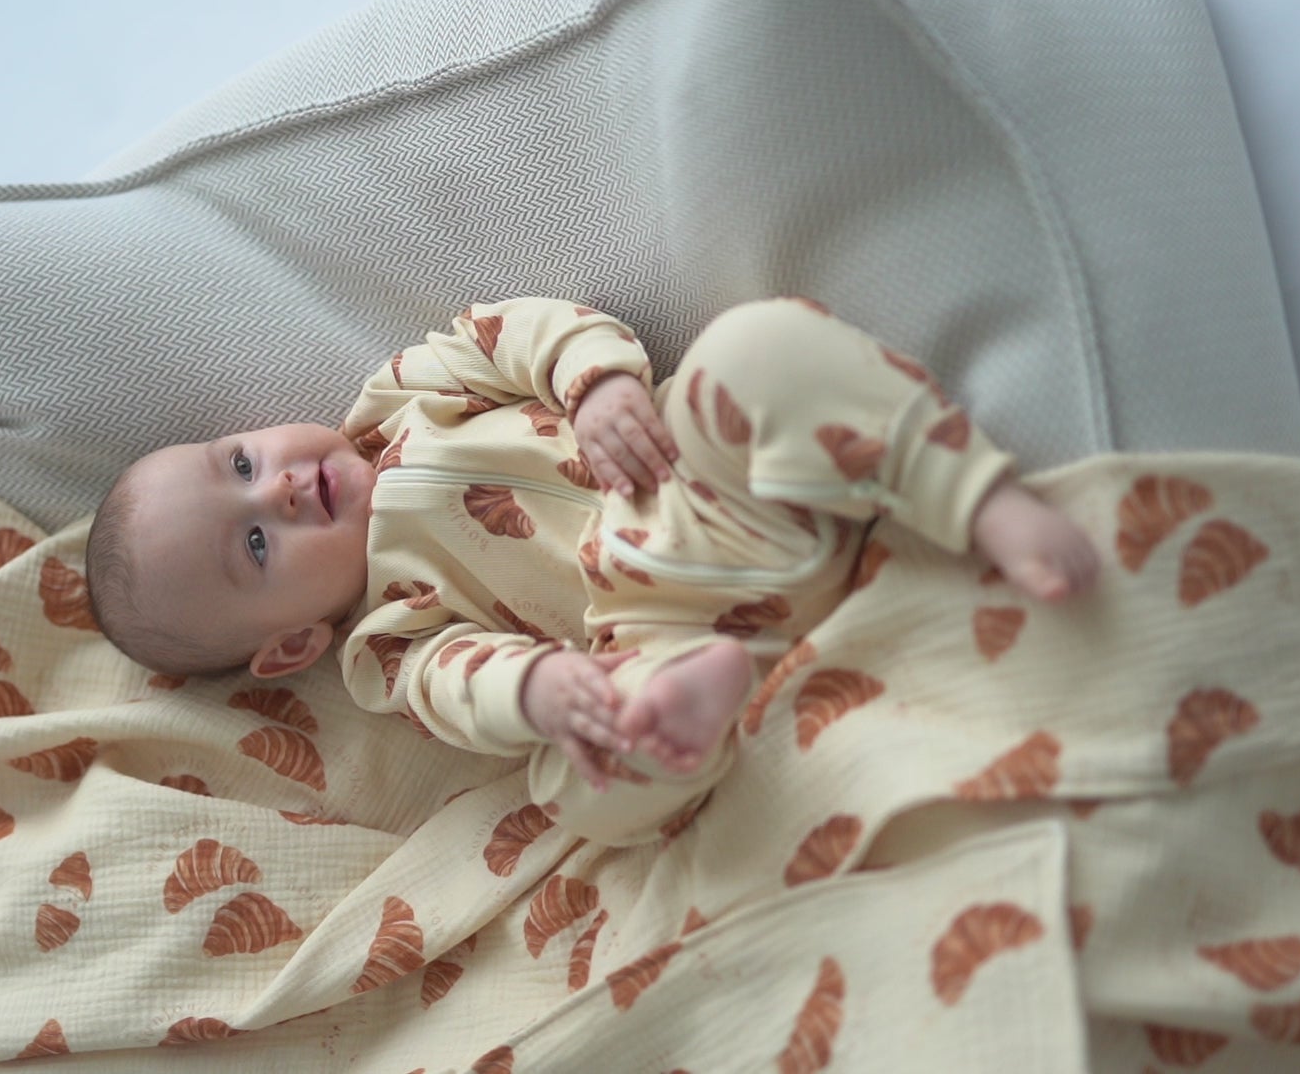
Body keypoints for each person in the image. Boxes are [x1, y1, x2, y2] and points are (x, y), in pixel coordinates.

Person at [84, 297, 1098, 844]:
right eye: (256, 546)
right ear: (293, 644)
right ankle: (681, 719)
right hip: (652, 631)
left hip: (693, 484)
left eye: (239, 464)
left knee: (750, 346)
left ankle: (979, 501)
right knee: (577, 795)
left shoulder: (403, 395)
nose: (277, 491)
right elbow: (457, 683)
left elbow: (514, 333)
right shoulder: (386, 641)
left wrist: (598, 381)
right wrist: (542, 689)